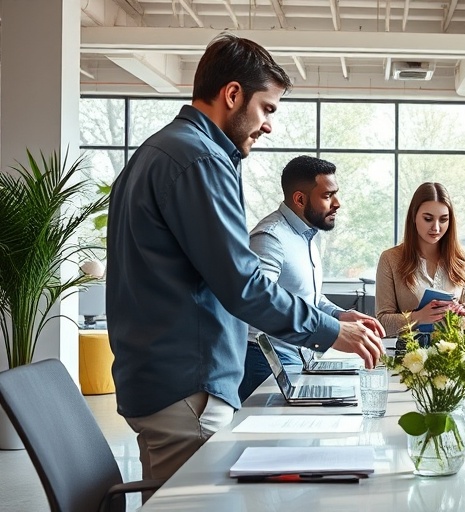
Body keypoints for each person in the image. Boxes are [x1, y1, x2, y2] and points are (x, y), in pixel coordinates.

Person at [106, 34, 384, 487]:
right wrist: (332, 332)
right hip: (187, 388)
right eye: (267, 108)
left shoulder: (158, 151)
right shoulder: (199, 159)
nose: (268, 125)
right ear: (232, 94)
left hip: (165, 380)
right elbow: (243, 283)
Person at [238, 155, 385, 401]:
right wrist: (333, 330)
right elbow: (257, 305)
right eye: (328, 196)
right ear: (299, 199)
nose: (337, 203)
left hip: (298, 357)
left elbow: (307, 297)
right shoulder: (270, 239)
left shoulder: (306, 234)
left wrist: (338, 315)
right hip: (266, 365)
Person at [376, 182, 465, 338]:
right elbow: (382, 323)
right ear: (414, 217)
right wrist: (418, 317)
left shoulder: (462, 259)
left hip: (454, 355)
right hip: (408, 357)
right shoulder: (390, 259)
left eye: (443, 220)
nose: (436, 228)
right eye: (428, 219)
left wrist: (460, 312)